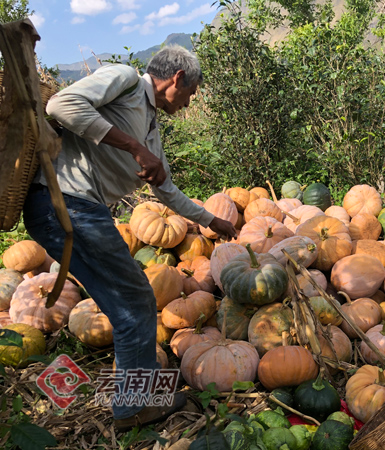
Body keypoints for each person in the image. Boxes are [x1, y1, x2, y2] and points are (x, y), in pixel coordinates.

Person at [22, 45, 237, 431]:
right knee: (136, 299)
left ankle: (135, 399)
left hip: (81, 211)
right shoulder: (124, 80)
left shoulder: (150, 125)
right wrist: (134, 147)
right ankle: (132, 408)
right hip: (66, 205)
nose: (190, 103)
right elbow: (61, 106)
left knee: (125, 306)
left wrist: (211, 221)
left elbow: (166, 190)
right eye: (191, 93)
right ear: (177, 79)